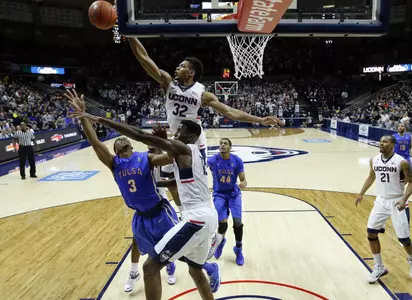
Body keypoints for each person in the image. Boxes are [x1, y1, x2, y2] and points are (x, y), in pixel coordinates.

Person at [66, 91, 221, 300]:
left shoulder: (149, 157)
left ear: (131, 147)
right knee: (188, 267)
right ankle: (199, 268)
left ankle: (190, 267)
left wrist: (101, 119)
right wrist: (84, 118)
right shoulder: (115, 164)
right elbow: (95, 143)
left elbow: (145, 138)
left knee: (151, 266)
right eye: (117, 143)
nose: (176, 133)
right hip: (146, 215)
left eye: (180, 131)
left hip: (171, 213)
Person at [127, 37, 282, 209]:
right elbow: (144, 59)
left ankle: (206, 217)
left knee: (195, 182)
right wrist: (130, 35)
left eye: (182, 66)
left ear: (191, 73)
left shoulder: (201, 94)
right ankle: (182, 213)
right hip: (176, 138)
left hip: (195, 141)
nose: (177, 68)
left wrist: (259, 119)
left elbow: (230, 112)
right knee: (170, 182)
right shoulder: (168, 83)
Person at [355, 135, 412, 284]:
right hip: (381, 201)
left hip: (397, 201)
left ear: (393, 145)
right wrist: (361, 193)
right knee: (371, 232)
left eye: (385, 141)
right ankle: (379, 266)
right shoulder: (374, 160)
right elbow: (371, 177)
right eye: (380, 141)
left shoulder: (402, 162)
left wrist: (404, 199)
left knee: (404, 239)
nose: (381, 143)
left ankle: (411, 260)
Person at [124, 142, 178, 293]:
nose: (151, 150)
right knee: (135, 241)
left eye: (154, 148)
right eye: (149, 148)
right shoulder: (140, 162)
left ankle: (170, 264)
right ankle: (134, 271)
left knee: (169, 241)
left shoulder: (159, 163)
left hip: (159, 207)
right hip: (143, 212)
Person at [207, 138, 247, 265]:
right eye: (221, 143)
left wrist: (243, 182)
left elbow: (242, 177)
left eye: (225, 143)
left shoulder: (237, 160)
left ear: (230, 147)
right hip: (219, 194)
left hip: (233, 194)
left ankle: (238, 250)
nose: (222, 145)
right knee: (222, 224)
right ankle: (220, 243)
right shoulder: (213, 160)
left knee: (237, 222)